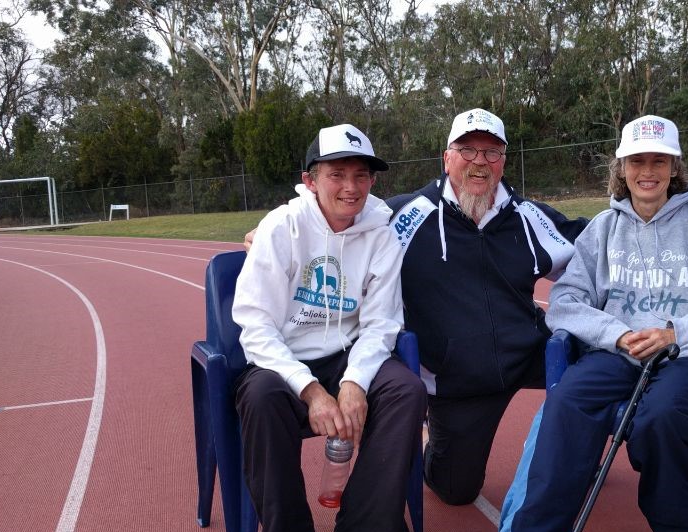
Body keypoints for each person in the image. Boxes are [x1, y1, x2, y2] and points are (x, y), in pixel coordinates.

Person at [246, 108, 587, 507]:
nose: (479, 161)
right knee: (455, 491)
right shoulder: (402, 216)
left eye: (491, 152)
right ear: (447, 158)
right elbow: (341, 215)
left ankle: (584, 446)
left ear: (503, 162)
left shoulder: (530, 217)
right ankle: (431, 436)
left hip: (528, 351)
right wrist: (267, 230)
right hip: (457, 381)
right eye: (467, 150)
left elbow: (595, 249)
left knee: (605, 364)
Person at [499, 115, 688, 532]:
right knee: (566, 402)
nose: (648, 171)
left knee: (661, 417)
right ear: (621, 168)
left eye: (658, 161)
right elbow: (564, 301)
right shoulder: (603, 228)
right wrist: (617, 334)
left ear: (674, 167)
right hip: (617, 352)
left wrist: (676, 334)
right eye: (637, 161)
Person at [233, 123, 427, 532]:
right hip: (282, 357)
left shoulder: (382, 232)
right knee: (260, 399)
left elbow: (382, 323)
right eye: (337, 174)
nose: (350, 187)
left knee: (406, 393)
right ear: (310, 180)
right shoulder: (282, 228)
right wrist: (311, 390)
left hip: (348, 353)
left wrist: (354, 382)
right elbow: (254, 325)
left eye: (361, 175)